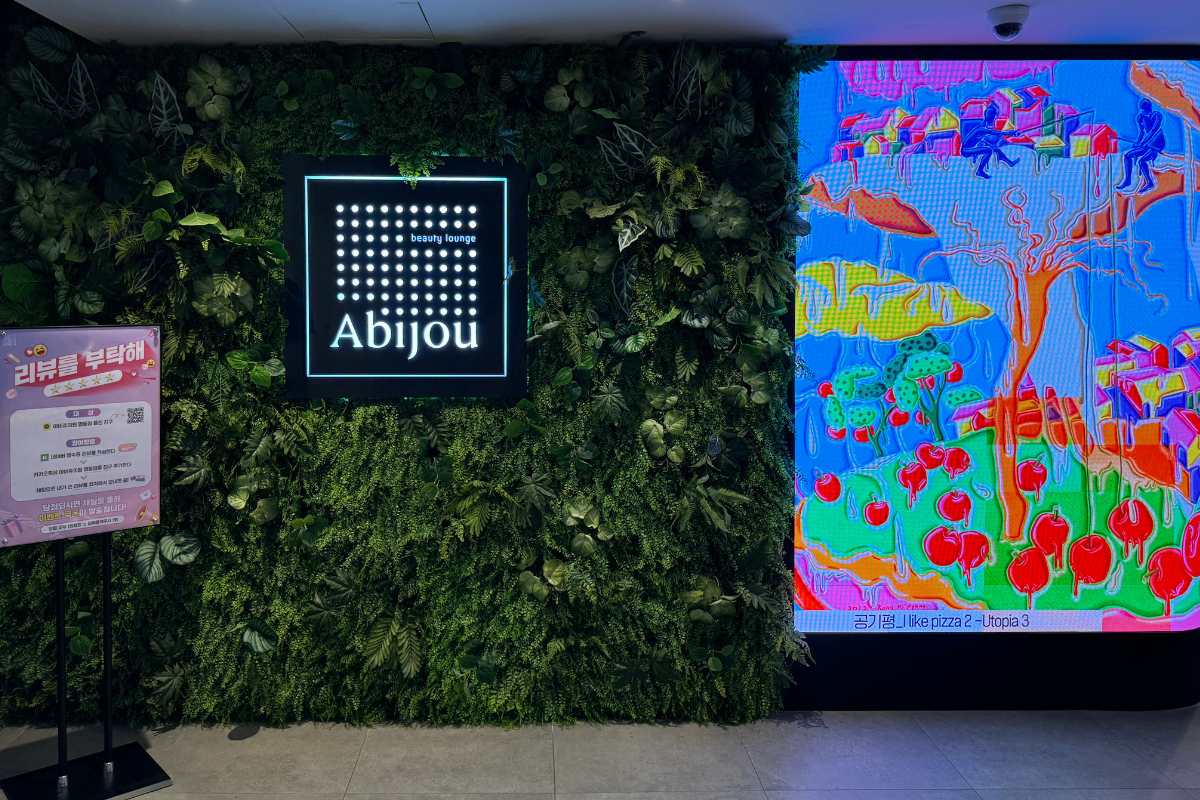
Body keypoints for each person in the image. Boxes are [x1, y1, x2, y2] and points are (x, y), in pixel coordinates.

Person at [1117, 99, 1166, 193]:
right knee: (1127, 156)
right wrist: (1138, 143)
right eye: (1143, 110)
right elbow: (1142, 132)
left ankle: (1150, 182)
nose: (1144, 111)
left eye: (1146, 109)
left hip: (1157, 144)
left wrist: (1143, 143)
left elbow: (1153, 131)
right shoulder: (1141, 117)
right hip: (1147, 144)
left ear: (1150, 108)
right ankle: (1127, 180)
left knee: (1142, 161)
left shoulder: (1157, 115)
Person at [961, 104, 1019, 179]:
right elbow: (993, 132)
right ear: (991, 117)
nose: (994, 119)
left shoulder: (983, 125)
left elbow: (990, 134)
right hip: (966, 151)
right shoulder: (981, 129)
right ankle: (979, 171)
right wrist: (1008, 133)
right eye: (994, 117)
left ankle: (1007, 161)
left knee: (994, 147)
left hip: (971, 148)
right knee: (988, 151)